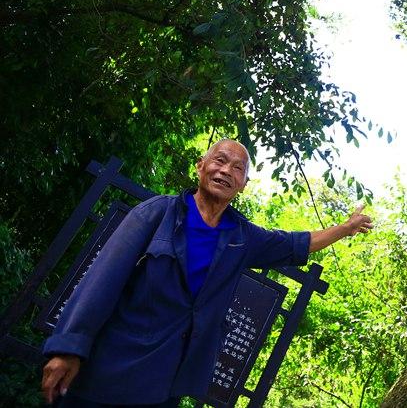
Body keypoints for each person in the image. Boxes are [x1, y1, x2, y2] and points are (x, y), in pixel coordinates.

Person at [40, 139, 372, 407]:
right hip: (107, 370)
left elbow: (296, 244)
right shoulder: (158, 213)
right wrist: (69, 347)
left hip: (162, 386)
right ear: (201, 166)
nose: (226, 170)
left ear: (243, 184)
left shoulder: (243, 237)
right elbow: (102, 279)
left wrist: (345, 228)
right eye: (219, 161)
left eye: (237, 168)